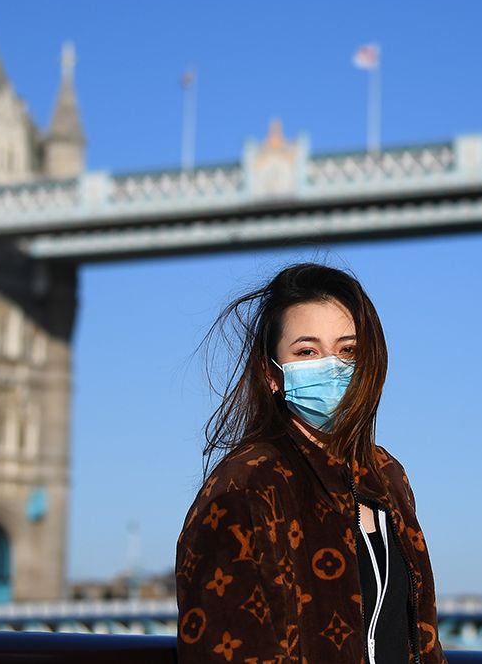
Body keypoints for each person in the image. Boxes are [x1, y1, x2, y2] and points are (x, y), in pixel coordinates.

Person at [176, 262, 445, 664]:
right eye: (307, 351)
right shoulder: (246, 485)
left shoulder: (386, 475)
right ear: (272, 374)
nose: (332, 366)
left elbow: (419, 636)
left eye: (348, 350)